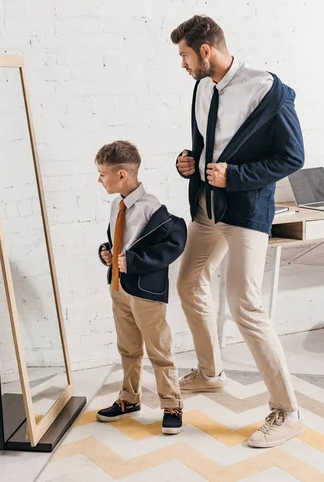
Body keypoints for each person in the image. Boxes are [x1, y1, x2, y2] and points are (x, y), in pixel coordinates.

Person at [171, 15, 305, 448]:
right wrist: (187, 162)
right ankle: (210, 374)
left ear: (205, 50)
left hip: (245, 209)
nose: (184, 65)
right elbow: (207, 144)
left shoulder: (267, 90)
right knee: (189, 282)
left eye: (186, 56)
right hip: (207, 207)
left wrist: (238, 176)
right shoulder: (201, 87)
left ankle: (289, 412)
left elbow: (292, 156)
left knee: (244, 304)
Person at [95, 140, 187, 435]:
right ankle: (129, 398)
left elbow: (175, 242)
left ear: (122, 174)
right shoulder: (116, 205)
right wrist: (106, 253)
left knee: (159, 348)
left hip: (146, 292)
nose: (99, 179)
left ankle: (172, 404)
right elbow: (119, 239)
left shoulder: (152, 207)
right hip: (119, 287)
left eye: (102, 173)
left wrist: (134, 261)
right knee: (128, 347)